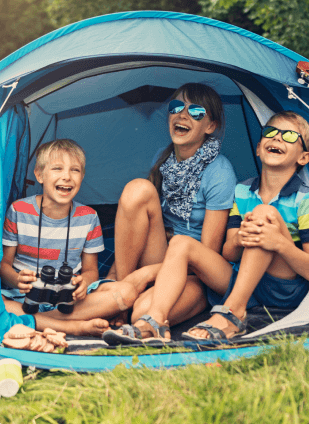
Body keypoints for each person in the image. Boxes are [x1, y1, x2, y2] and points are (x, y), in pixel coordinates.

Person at [106, 111, 309, 343]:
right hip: (238, 278)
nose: (278, 138)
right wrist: (240, 238)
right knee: (181, 243)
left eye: (290, 136)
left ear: (304, 157)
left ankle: (233, 313)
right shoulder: (242, 190)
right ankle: (156, 320)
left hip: (281, 288)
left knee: (264, 214)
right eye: (271, 132)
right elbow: (228, 252)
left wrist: (280, 243)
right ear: (259, 148)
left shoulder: (306, 199)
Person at [101, 83, 236, 342]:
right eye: (176, 107)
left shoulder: (220, 172)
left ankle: (131, 303)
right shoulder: (162, 160)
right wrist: (119, 277)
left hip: (195, 272)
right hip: (163, 249)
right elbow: (145, 222)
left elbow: (207, 256)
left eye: (196, 112)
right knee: (137, 189)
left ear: (210, 126)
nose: (182, 115)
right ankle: (121, 287)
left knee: (141, 313)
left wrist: (148, 274)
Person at [0, 139, 144, 337]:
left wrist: (83, 282)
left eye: (74, 170)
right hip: (24, 297)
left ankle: (43, 322)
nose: (66, 177)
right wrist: (17, 280)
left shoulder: (89, 217)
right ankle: (72, 326)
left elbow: (91, 270)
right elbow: (4, 264)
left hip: (68, 301)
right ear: (39, 174)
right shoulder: (19, 211)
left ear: (82, 176)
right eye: (57, 169)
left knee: (126, 293)